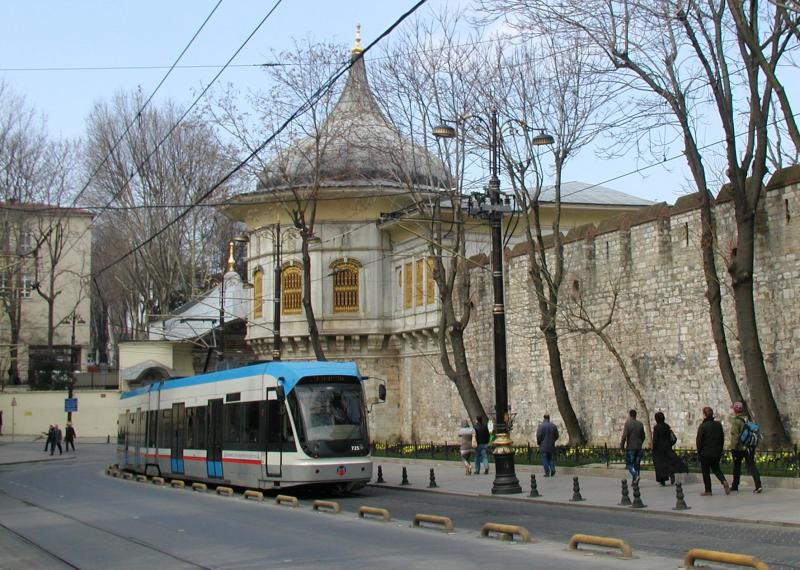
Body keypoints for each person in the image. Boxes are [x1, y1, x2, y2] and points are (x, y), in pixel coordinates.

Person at [729, 401, 763, 493]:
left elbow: (735, 436)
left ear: (735, 411)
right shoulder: (747, 419)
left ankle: (735, 486)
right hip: (749, 447)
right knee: (752, 466)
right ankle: (758, 485)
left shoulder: (736, 421)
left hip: (739, 448)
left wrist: (733, 447)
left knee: (737, 467)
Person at [696, 406, 730, 496]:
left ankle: (708, 490)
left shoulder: (703, 426)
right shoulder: (718, 425)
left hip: (705, 453)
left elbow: (699, 441)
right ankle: (724, 481)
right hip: (716, 452)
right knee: (716, 468)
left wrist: (699, 452)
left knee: (705, 471)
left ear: (704, 415)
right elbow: (722, 438)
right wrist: (720, 450)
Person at [651, 411, 687, 486]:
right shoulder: (666, 426)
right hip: (667, 447)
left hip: (659, 449)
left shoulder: (656, 427)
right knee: (668, 462)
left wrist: (653, 448)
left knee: (660, 465)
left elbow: (655, 439)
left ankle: (662, 480)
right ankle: (671, 474)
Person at [620, 409, 646, 482]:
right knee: (637, 464)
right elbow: (643, 436)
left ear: (629, 415)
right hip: (639, 447)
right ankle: (635, 481)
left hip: (631, 447)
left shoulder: (627, 423)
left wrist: (621, 447)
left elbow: (624, 436)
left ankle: (635, 475)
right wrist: (640, 442)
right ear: (635, 415)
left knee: (629, 464)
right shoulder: (640, 424)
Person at [536, 413, 560, 477]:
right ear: (549, 418)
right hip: (551, 446)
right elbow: (557, 436)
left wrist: (539, 442)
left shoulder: (541, 426)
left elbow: (539, 436)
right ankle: (552, 469)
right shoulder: (553, 426)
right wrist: (552, 440)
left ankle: (547, 472)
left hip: (543, 446)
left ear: (544, 418)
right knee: (551, 459)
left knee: (545, 459)